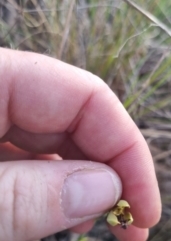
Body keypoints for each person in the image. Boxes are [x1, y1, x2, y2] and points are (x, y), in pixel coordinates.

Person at [0, 48, 161, 241]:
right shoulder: (115, 207)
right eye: (122, 217)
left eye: (121, 218)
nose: (122, 218)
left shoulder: (118, 210)